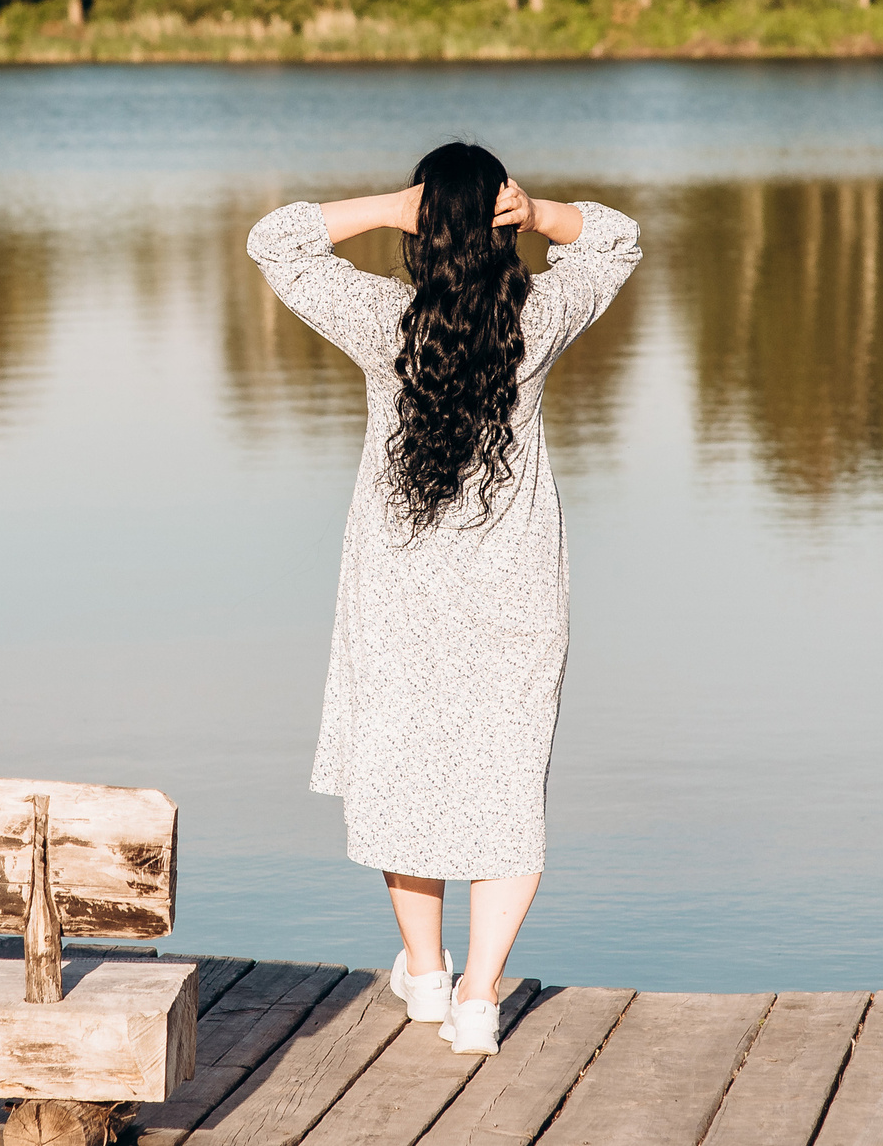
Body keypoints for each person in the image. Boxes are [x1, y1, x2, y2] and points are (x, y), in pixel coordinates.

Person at [245, 142, 641, 1055]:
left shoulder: (383, 320)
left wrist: (390, 205)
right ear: (502, 226)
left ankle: (423, 975)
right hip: (515, 593)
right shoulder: (538, 318)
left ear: (424, 226)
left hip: (401, 593)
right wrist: (543, 216)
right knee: (507, 785)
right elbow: (616, 241)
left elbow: (276, 242)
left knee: (407, 774)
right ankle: (477, 996)